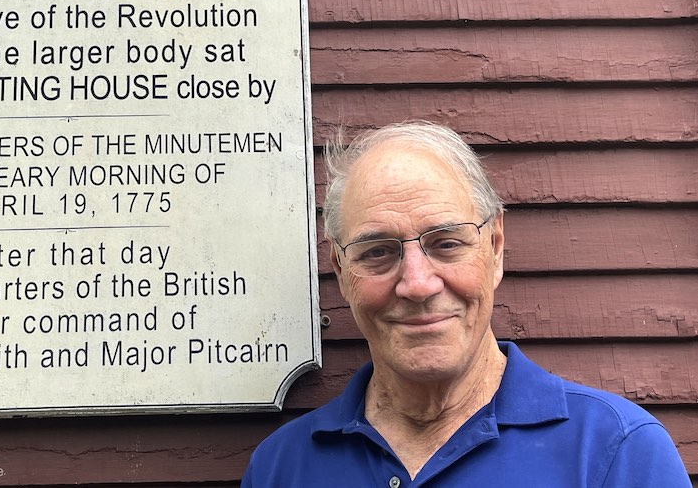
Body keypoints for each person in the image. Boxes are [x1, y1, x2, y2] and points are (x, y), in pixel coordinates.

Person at [242, 121, 689, 487]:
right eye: (377, 251)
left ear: (495, 248)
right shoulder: (282, 468)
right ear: (341, 272)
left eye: (446, 243)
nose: (417, 285)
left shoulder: (616, 451)